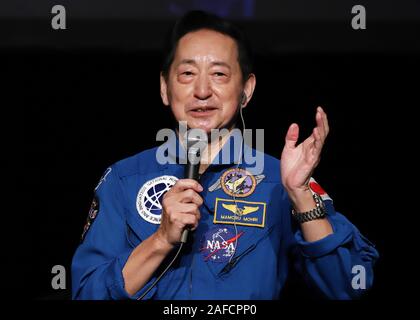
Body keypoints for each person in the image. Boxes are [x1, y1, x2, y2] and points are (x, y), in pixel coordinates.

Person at [71, 10, 378, 300]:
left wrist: (300, 196)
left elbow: (350, 285)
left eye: (219, 74)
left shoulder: (278, 181)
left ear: (246, 89)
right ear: (165, 88)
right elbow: (85, 292)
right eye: (187, 73)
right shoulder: (124, 179)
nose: (202, 90)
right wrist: (161, 240)